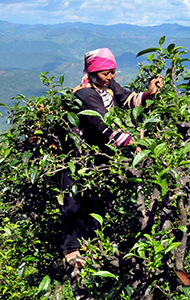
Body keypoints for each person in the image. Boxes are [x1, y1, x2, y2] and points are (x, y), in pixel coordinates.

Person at [60, 48, 163, 270]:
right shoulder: (86, 94)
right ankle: (71, 250)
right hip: (79, 156)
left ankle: (91, 242)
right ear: (94, 71)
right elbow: (103, 126)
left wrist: (148, 94)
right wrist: (134, 143)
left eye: (113, 72)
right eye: (106, 73)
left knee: (100, 199)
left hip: (101, 155)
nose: (111, 77)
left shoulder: (106, 86)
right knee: (74, 201)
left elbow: (127, 100)